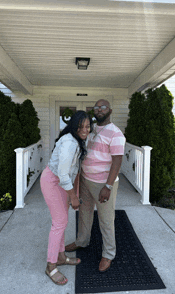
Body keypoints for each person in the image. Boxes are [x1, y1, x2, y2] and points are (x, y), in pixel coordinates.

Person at [65, 99, 126, 272]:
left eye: (103, 107)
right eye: (96, 107)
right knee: (84, 213)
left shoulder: (116, 134)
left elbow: (117, 161)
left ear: (110, 110)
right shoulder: (90, 129)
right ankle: (82, 242)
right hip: (85, 179)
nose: (99, 110)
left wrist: (108, 186)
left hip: (103, 184)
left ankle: (108, 254)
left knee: (106, 220)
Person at [40, 110, 93, 286]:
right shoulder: (70, 143)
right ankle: (50, 265)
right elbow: (63, 174)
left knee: (62, 221)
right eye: (81, 126)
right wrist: (73, 196)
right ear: (74, 126)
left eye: (88, 126)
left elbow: (75, 171)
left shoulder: (78, 141)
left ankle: (61, 256)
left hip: (64, 183)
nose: (85, 130)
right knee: (60, 222)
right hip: (53, 181)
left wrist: (74, 195)